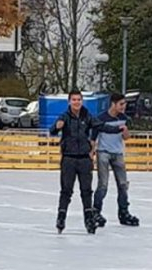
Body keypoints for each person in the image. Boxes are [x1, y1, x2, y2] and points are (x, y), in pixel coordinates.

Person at [50, 90, 127, 234]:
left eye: (79, 99)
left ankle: (89, 219)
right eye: (74, 100)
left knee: (86, 191)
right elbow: (52, 131)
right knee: (66, 190)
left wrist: (117, 129)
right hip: (69, 158)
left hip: (84, 159)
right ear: (69, 102)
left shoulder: (87, 116)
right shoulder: (65, 117)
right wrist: (56, 127)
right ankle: (61, 218)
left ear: (82, 101)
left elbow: (102, 126)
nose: (77, 102)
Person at [91, 92, 139, 227]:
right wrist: (91, 153)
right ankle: (96, 211)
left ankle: (123, 212)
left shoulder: (124, 118)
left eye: (124, 104)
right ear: (113, 104)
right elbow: (93, 138)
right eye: (121, 104)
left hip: (118, 153)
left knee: (123, 184)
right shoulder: (101, 118)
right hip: (103, 153)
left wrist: (125, 131)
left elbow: (126, 137)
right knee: (103, 185)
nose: (123, 107)